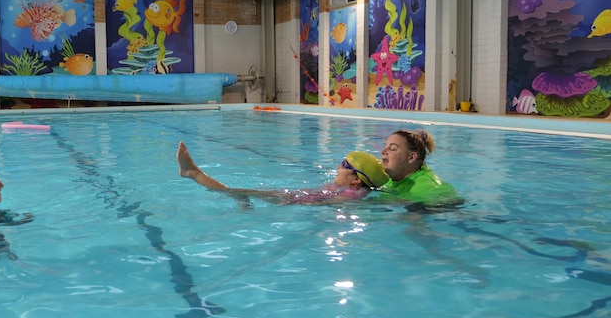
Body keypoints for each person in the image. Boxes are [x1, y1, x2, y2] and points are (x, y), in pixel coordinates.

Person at [176, 141, 389, 205]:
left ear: (355, 179)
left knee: (233, 191)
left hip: (291, 200)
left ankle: (192, 173)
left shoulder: (352, 195)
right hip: (294, 198)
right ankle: (193, 173)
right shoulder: (349, 189)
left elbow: (330, 203)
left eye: (345, 164)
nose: (338, 166)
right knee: (238, 193)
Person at [379, 129, 459, 204]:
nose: (383, 152)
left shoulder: (427, 187)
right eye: (385, 146)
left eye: (393, 148)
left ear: (411, 157)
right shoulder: (392, 176)